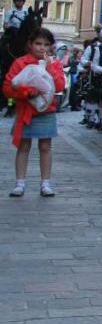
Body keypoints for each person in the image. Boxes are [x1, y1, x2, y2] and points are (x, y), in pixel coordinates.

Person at [5, 27, 65, 197]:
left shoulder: (54, 64)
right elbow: (8, 87)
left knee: (45, 146)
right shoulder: (20, 63)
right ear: (30, 44)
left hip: (47, 111)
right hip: (25, 110)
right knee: (23, 146)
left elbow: (59, 86)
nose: (42, 48)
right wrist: (25, 92)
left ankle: (45, 183)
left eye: (46, 44)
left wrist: (50, 68)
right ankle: (20, 182)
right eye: (38, 44)